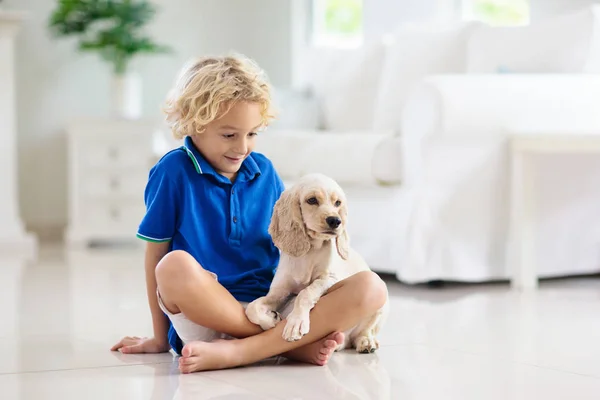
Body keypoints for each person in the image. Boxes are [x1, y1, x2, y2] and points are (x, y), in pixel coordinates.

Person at [110, 54, 388, 373]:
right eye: (229, 135)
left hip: (271, 307)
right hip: (207, 313)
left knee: (372, 288)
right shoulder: (172, 172)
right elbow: (155, 254)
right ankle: (279, 346)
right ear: (193, 122)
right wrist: (160, 339)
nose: (242, 147)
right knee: (172, 266)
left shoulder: (264, 171)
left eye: (253, 134)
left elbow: (288, 245)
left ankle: (250, 349)